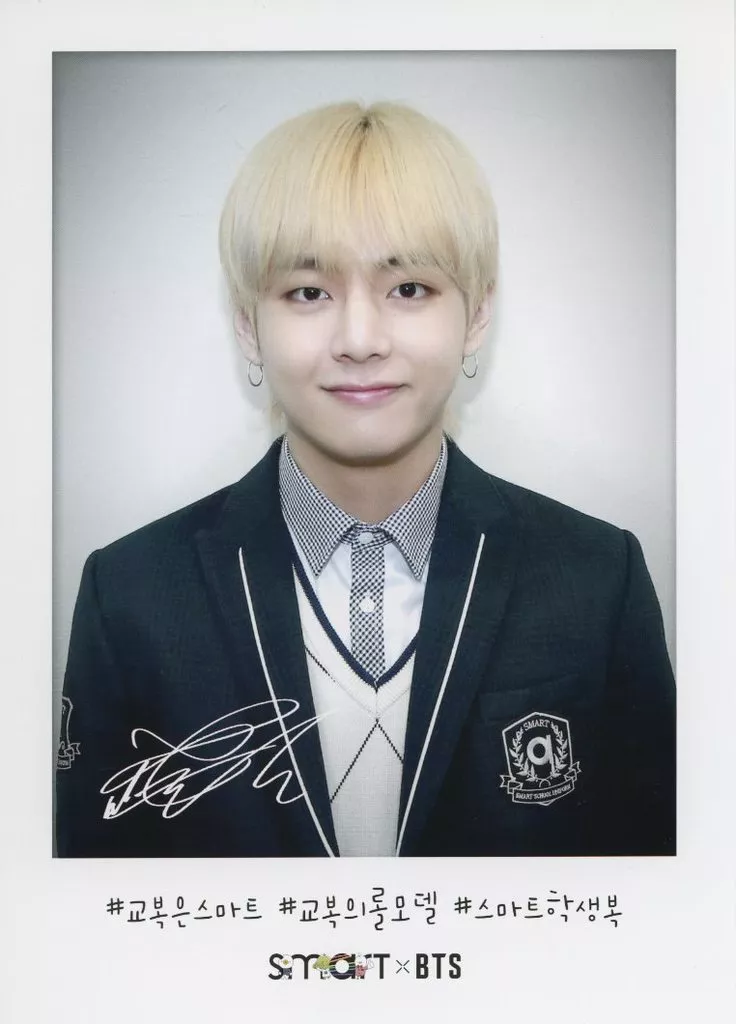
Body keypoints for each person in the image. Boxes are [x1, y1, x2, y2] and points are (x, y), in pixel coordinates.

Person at [56, 101, 675, 858]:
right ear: (249, 324)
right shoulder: (130, 595)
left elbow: (654, 890)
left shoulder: (597, 579)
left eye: (408, 288)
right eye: (308, 292)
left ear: (477, 314)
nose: (359, 340)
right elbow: (91, 903)